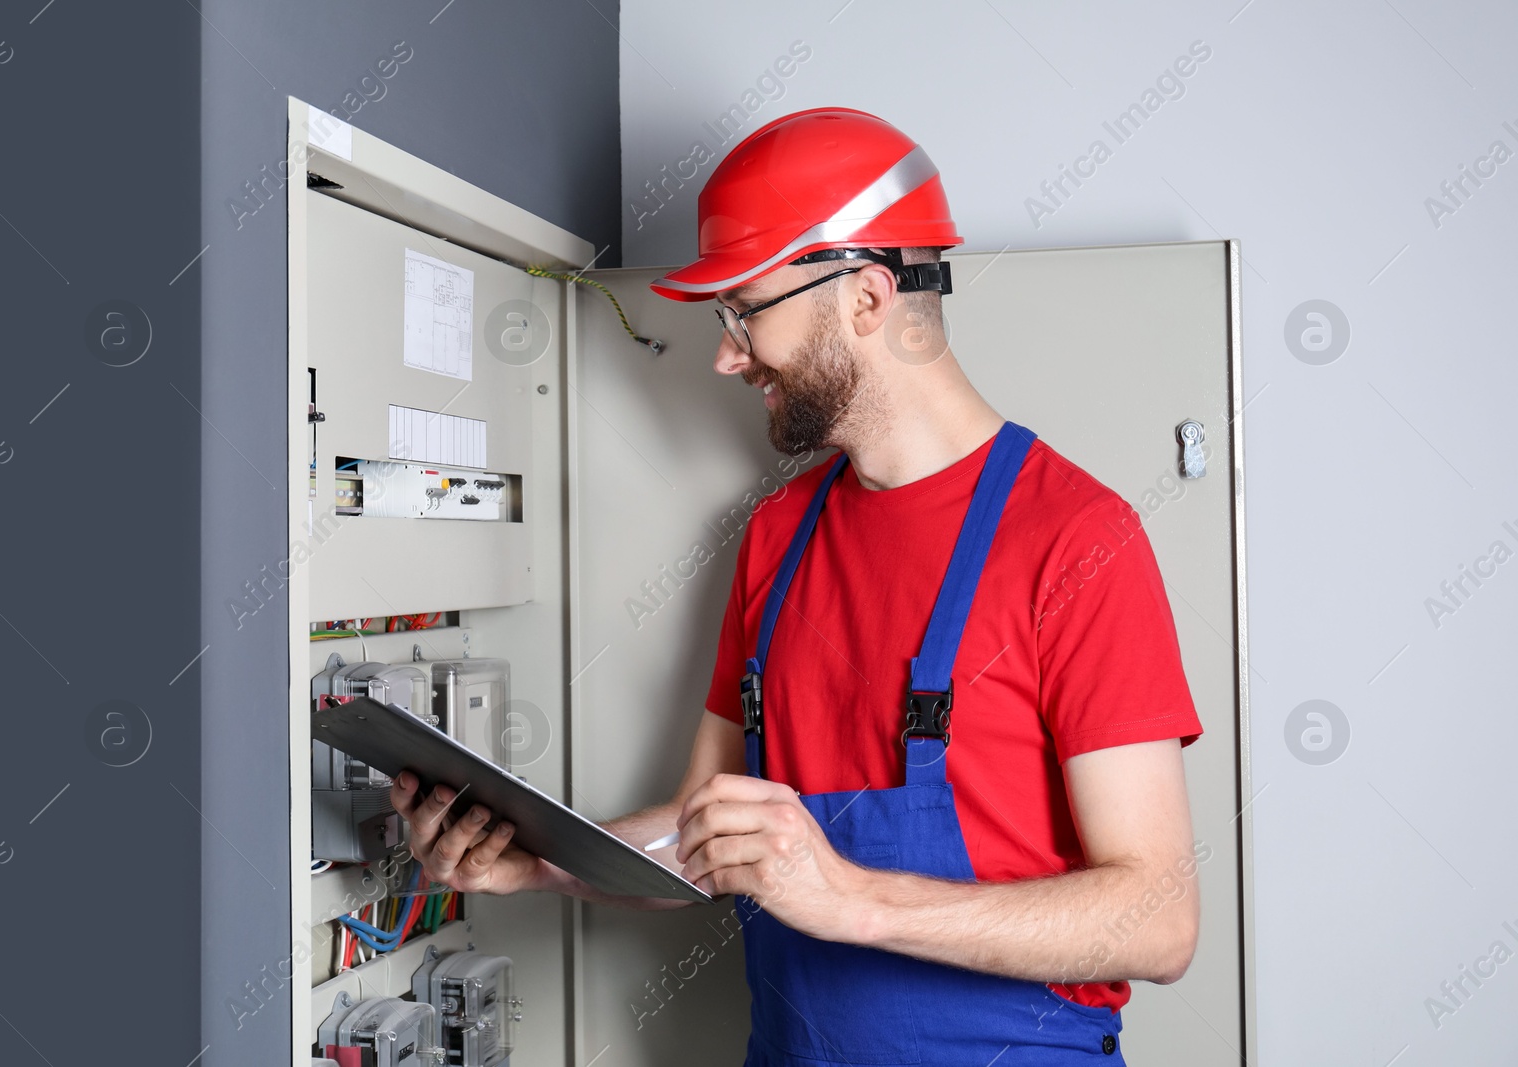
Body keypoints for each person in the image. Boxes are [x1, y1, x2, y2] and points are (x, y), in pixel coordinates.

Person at [391, 106, 1203, 1064]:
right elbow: (706, 839)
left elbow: (1159, 919)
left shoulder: (1076, 539)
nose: (728, 354)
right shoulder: (780, 536)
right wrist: (545, 863)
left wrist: (850, 896)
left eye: (745, 313)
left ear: (865, 297)